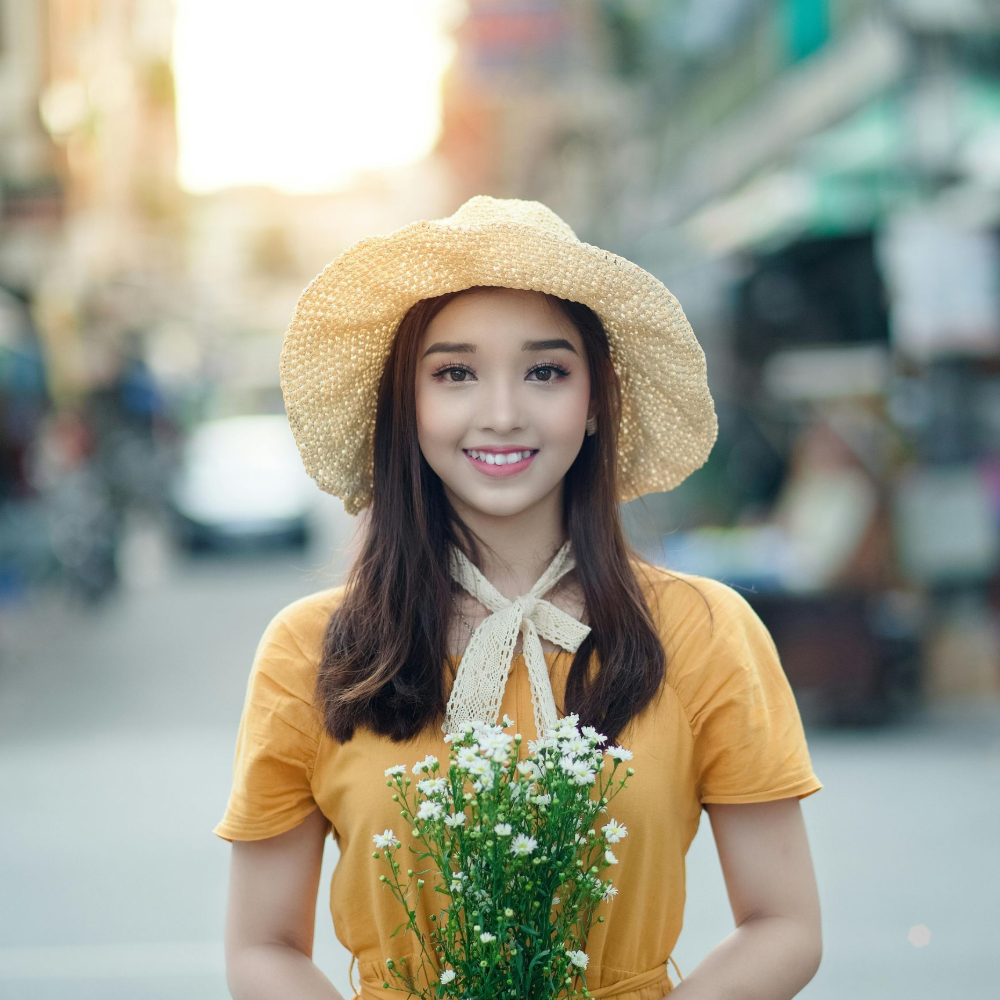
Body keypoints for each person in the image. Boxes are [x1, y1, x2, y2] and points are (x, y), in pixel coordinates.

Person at [212, 196, 824, 1000]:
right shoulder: (311, 647)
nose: (501, 414)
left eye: (546, 371)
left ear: (596, 398)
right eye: (455, 373)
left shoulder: (701, 630)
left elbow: (786, 925)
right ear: (409, 404)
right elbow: (262, 946)